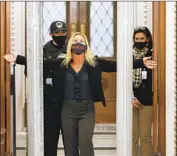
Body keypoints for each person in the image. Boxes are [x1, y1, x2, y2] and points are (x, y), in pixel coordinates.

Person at [4, 32, 156, 156]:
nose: (78, 44)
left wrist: (141, 62)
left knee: (85, 144)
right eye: (75, 41)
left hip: (87, 110)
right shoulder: (62, 63)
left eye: (81, 41)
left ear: (86, 45)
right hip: (67, 110)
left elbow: (116, 65)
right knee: (70, 149)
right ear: (70, 45)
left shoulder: (93, 62)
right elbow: (40, 63)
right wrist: (18, 59)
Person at [15, 20, 69, 156]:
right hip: (50, 103)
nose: (60, 34)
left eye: (63, 32)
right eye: (57, 32)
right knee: (50, 142)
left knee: (71, 142)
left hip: (69, 102)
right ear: (51, 34)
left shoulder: (72, 50)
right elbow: (30, 72)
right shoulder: (43, 51)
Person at [132, 26, 154, 156]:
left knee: (145, 137)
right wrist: (131, 97)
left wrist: (140, 98)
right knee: (132, 137)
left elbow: (152, 80)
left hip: (146, 100)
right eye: (136, 38)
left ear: (147, 39)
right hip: (131, 100)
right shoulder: (128, 55)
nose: (139, 41)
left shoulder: (152, 55)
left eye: (142, 38)